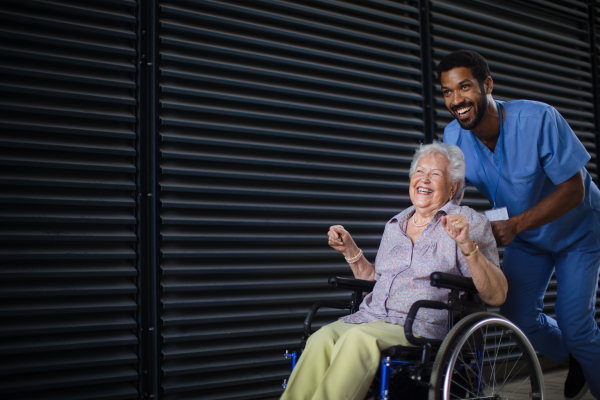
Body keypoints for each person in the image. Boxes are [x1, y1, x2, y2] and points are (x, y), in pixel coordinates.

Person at [280, 142, 507, 400]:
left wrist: (467, 245)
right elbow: (378, 283)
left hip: (419, 324)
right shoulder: (395, 225)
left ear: (453, 187)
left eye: (435, 174)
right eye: (419, 172)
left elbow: (497, 296)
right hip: (373, 317)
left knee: (357, 340)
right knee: (321, 338)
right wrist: (350, 250)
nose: (424, 179)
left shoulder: (467, 221)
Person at [439, 49, 600, 400]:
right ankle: (576, 355)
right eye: (448, 92)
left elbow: (573, 190)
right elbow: (449, 195)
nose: (456, 100)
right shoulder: (453, 138)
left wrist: (513, 226)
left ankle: (586, 354)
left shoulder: (539, 119)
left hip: (579, 232)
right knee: (516, 315)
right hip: (528, 237)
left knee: (576, 324)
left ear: (488, 85)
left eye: (464, 87)